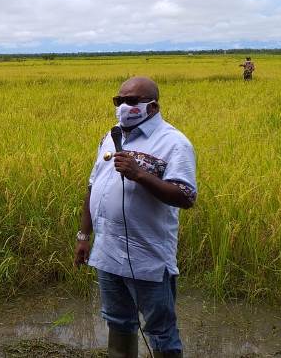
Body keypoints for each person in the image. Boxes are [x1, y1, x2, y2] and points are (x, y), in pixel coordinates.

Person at [74, 76, 197, 358]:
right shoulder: (111, 137)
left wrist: (139, 174)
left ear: (152, 106)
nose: (122, 107)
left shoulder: (173, 143)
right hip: (107, 254)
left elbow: (186, 197)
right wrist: (83, 236)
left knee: (161, 332)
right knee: (118, 322)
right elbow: (93, 188)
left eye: (131, 101)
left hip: (148, 259)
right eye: (119, 100)